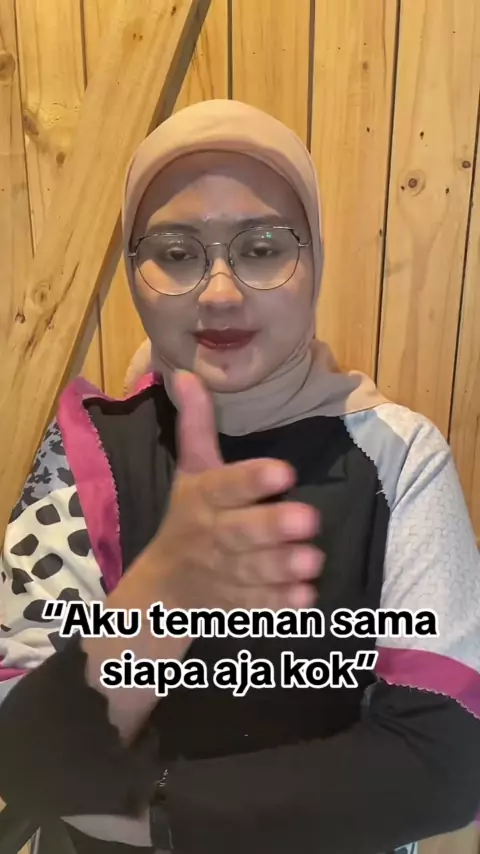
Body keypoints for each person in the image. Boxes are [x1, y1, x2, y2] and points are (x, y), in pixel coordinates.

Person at [0, 99, 479, 854]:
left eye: (262, 248)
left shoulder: (399, 455)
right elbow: (23, 748)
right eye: (175, 252)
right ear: (133, 273)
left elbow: (443, 757)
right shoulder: (83, 452)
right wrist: (162, 599)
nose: (220, 293)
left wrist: (159, 816)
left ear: (314, 261)